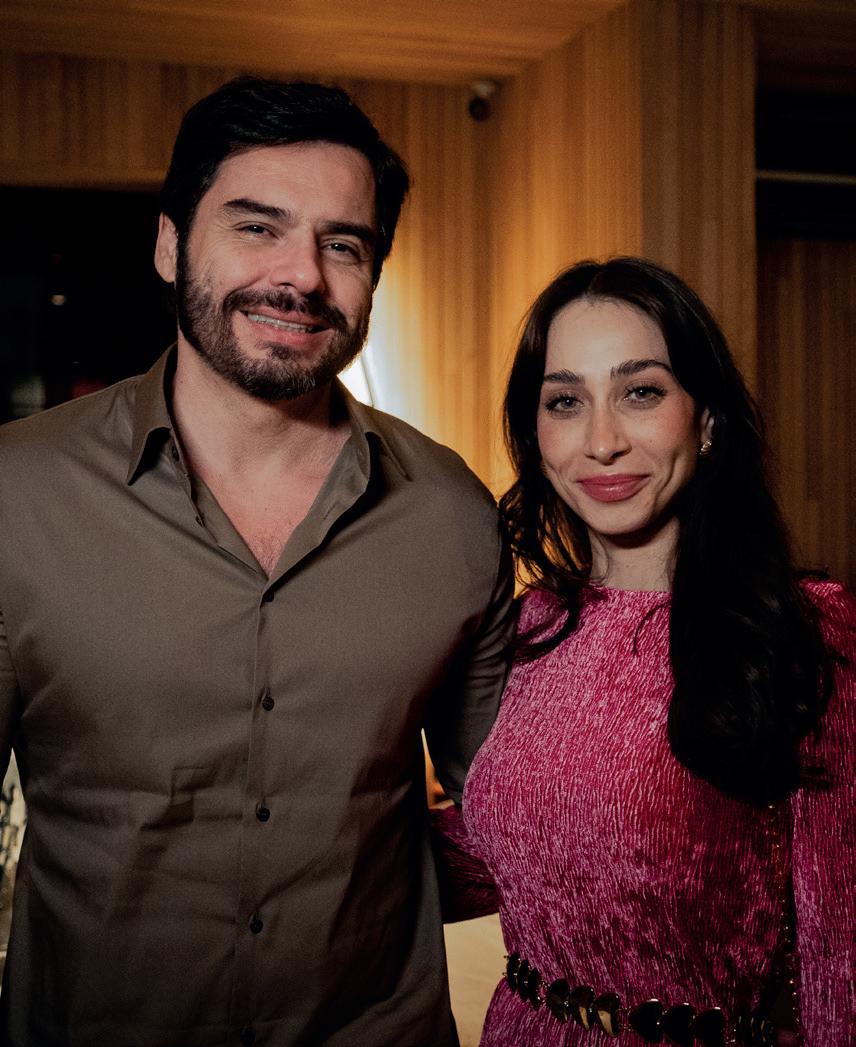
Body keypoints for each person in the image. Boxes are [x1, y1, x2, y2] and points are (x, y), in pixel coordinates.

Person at [0, 77, 515, 1046]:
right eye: (256, 227)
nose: (302, 277)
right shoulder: (15, 496)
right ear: (169, 244)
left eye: (343, 244)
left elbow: (516, 819)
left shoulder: (452, 515)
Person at [433, 257, 855, 1046]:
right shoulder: (528, 625)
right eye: (566, 401)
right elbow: (516, 858)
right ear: (535, 434)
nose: (602, 441)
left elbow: (841, 955)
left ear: (706, 418)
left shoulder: (809, 628)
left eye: (641, 392)